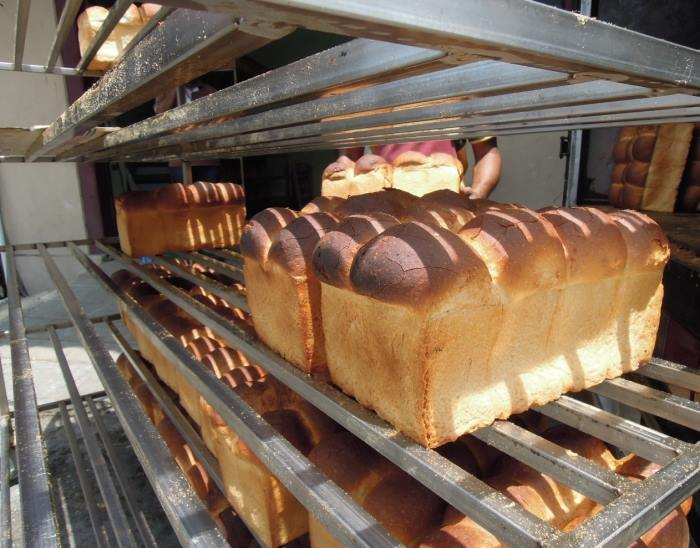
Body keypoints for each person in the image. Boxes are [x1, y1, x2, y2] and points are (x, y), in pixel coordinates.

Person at [342, 136, 502, 199]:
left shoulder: (457, 74)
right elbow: (349, 156)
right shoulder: (369, 86)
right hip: (388, 203)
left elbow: (486, 150)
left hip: (446, 203)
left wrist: (478, 193)